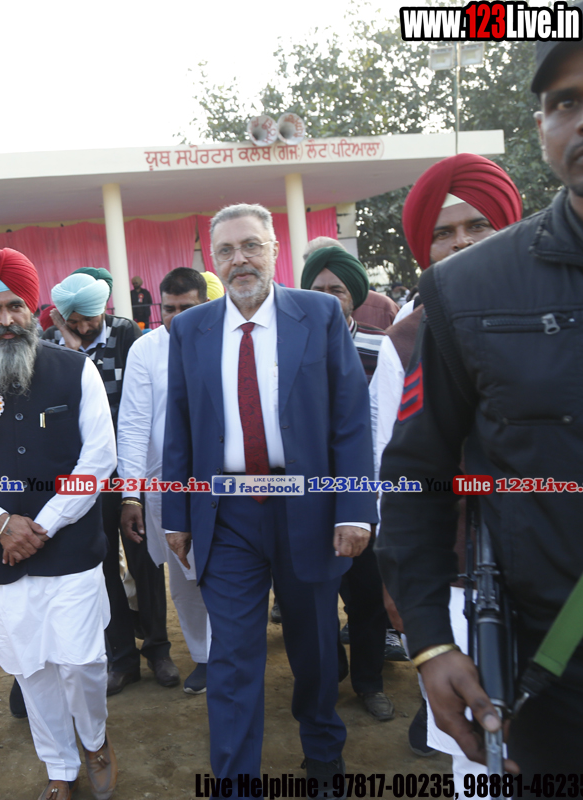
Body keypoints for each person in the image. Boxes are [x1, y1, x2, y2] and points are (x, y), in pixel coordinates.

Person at [378, 15, 583, 774]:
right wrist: (430, 640)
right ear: (541, 128)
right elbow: (414, 473)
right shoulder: (466, 293)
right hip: (558, 671)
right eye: (565, 101)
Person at [162, 204, 376, 785]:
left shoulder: (320, 314)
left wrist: (356, 507)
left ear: (275, 250)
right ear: (213, 261)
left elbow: (351, 419)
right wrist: (176, 513)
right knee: (232, 658)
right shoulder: (190, 329)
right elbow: (179, 425)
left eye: (251, 246)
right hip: (227, 515)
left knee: (315, 649)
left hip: (310, 509)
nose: (240, 260)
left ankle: (323, 752)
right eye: (226, 250)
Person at [0, 249, 119, 800]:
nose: (6, 319)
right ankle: (59, 767)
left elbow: (99, 459)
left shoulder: (76, 369)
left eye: (15, 305)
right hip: (2, 555)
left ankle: (94, 740)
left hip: (70, 549)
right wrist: (1, 524)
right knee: (33, 668)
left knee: (82, 662)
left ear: (35, 309)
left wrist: (41, 525)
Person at [371, 152, 523, 768]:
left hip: (569, 570)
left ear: (509, 226)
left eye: (477, 225)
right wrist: (407, 585)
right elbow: (397, 471)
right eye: (443, 231)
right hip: (461, 580)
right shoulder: (405, 340)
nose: (461, 242)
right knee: (483, 761)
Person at [46, 270, 172, 695]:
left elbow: (134, 405)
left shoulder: (127, 335)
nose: (83, 326)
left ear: (104, 309)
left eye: (89, 318)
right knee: (101, 566)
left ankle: (158, 649)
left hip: (130, 469)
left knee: (145, 561)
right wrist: (70, 348)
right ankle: (121, 657)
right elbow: (58, 405)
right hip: (83, 475)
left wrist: (78, 353)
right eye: (73, 320)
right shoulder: (51, 342)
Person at [301, 245, 394, 722]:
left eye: (336, 289)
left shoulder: (382, 347)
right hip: (306, 498)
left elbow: (384, 426)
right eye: (318, 289)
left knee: (366, 596)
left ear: (355, 296)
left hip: (364, 494)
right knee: (312, 596)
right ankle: (328, 672)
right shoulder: (289, 348)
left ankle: (369, 682)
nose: (328, 297)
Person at [116, 267, 215, 696]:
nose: (176, 318)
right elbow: (134, 425)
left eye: (186, 308)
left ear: (205, 304)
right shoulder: (146, 349)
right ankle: (206, 657)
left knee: (228, 571)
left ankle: (232, 652)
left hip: (222, 483)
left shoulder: (225, 340)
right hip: (166, 487)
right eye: (169, 309)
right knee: (185, 576)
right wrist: (131, 494)